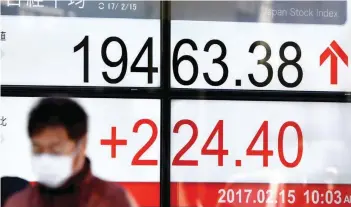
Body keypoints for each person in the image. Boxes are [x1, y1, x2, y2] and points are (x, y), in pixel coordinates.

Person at [4, 97, 138, 207]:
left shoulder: (113, 201)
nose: (45, 159)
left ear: (82, 145)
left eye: (55, 150)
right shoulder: (19, 203)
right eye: (38, 149)